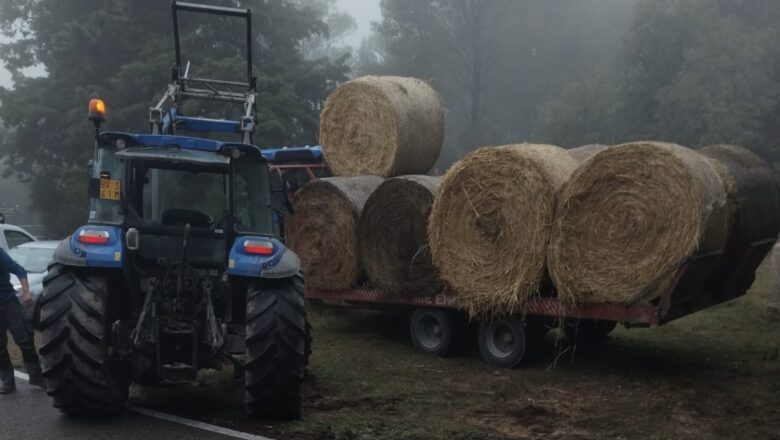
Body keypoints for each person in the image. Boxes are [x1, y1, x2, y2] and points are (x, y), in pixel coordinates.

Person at [0, 247, 43, 393]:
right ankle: (8, 383)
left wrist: (25, 293)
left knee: (24, 340)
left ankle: (36, 377)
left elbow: (19, 270)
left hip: (8, 302)